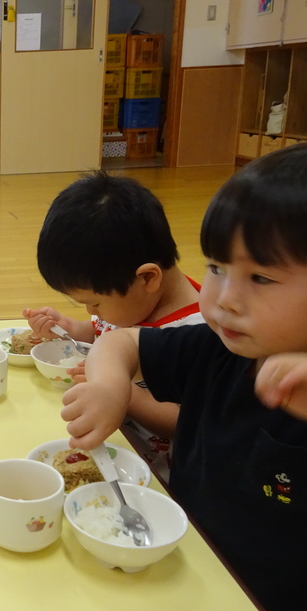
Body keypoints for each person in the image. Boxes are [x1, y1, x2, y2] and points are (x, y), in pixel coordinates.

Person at [61, 141, 307, 611]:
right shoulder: (221, 347)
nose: (223, 296)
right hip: (184, 581)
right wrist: (113, 389)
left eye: (262, 278)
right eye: (217, 267)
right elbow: (122, 343)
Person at [23, 169, 202, 475]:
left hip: (154, 478)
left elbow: (192, 422)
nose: (93, 313)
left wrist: (123, 394)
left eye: (95, 303)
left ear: (147, 278)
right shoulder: (133, 305)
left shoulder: (199, 332)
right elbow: (102, 331)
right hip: (111, 446)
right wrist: (69, 327)